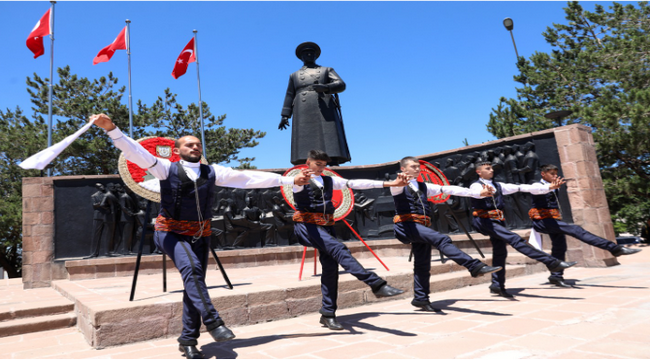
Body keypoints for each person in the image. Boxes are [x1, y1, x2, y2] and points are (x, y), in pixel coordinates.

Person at [89, 113, 310, 360]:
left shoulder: (212, 171)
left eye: (197, 144)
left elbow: (247, 178)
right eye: (188, 144)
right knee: (193, 271)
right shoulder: (164, 168)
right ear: (177, 150)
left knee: (194, 284)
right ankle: (214, 322)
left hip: (200, 235)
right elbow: (135, 153)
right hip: (170, 232)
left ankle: (188, 339)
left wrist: (287, 180)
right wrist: (112, 129)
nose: (194, 147)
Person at [292, 150, 406, 330]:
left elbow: (356, 183)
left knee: (330, 269)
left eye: (324, 164)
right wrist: (298, 180)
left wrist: (391, 183)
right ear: (308, 162)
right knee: (340, 249)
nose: (321, 168)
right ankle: (375, 283)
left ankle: (328, 314)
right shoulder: (299, 180)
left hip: (326, 227)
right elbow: (297, 185)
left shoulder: (330, 180)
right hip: (307, 226)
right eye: (318, 164)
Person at [391, 157, 502, 312]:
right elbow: (395, 187)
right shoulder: (396, 185)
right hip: (406, 225)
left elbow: (449, 189)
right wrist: (398, 181)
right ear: (403, 169)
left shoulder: (423, 185)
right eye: (413, 166)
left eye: (418, 166)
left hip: (420, 227)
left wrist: (477, 193)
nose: (417, 169)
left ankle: (421, 299)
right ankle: (474, 266)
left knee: (423, 263)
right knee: (441, 238)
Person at [470, 161, 577, 298]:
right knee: (514, 238)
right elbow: (473, 193)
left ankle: (497, 285)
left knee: (500, 251)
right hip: (483, 221)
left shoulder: (499, 185)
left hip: (497, 222)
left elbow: (522, 187)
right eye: (487, 168)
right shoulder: (475, 185)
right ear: (479, 172)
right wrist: (481, 193)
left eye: (491, 168)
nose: (491, 170)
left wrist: (548, 188)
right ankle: (551, 262)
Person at [529, 164, 642, 288]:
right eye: (552, 174)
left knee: (559, 247)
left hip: (554, 221)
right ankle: (614, 249)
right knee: (577, 230)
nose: (555, 176)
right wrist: (551, 187)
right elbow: (539, 191)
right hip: (542, 222)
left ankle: (556, 276)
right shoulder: (536, 186)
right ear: (543, 174)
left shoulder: (556, 185)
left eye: (556, 173)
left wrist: (554, 187)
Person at [279, 42, 351, 166]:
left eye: (311, 53)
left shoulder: (326, 70)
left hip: (324, 105)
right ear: (301, 57)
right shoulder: (294, 75)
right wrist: (285, 115)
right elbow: (290, 95)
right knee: (304, 136)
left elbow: (341, 84)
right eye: (306, 53)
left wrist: (326, 87)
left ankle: (332, 159)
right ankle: (303, 161)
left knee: (328, 135)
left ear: (316, 56)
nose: (309, 55)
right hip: (302, 107)